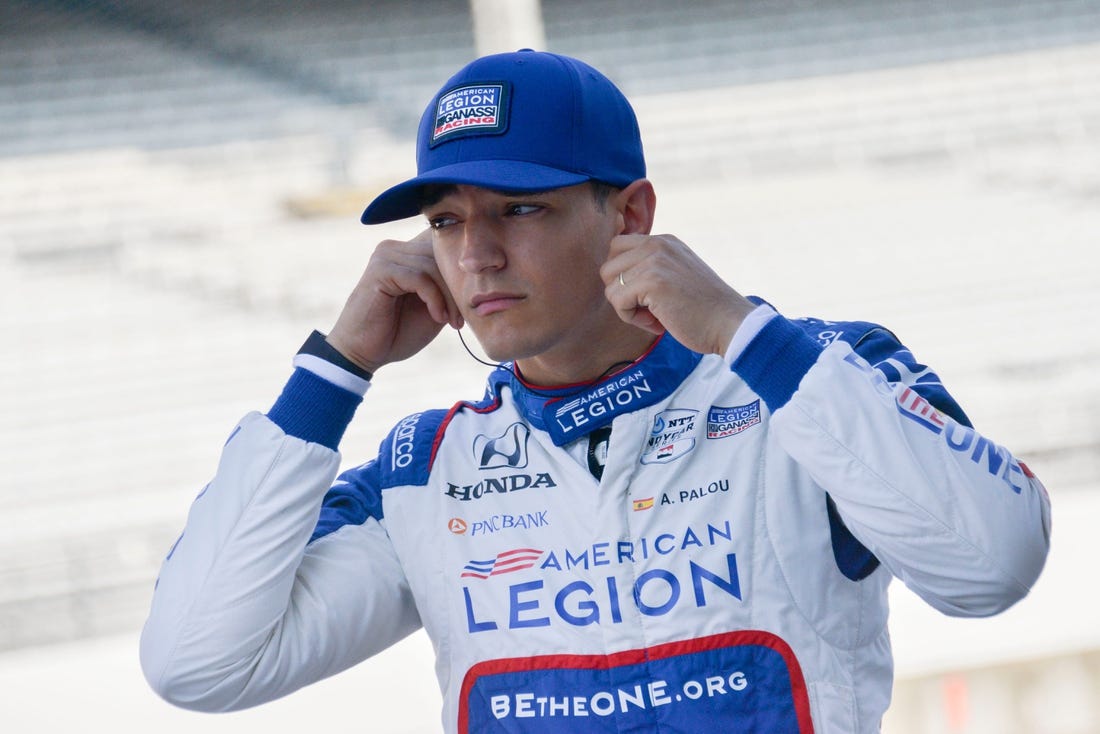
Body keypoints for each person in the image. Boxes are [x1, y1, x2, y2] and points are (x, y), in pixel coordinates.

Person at [140, 49, 1051, 733]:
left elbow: (995, 564)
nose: (475, 255)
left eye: (518, 208)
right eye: (447, 220)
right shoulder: (426, 469)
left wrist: (742, 334)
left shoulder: (809, 376)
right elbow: (196, 664)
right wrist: (333, 371)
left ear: (631, 215)